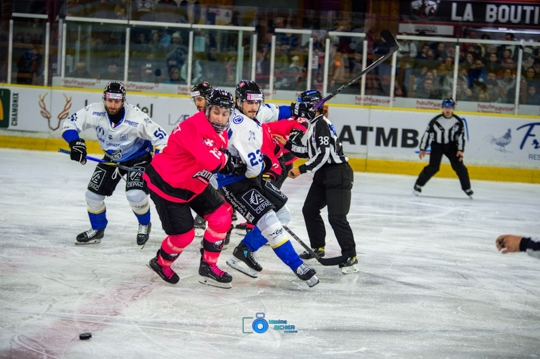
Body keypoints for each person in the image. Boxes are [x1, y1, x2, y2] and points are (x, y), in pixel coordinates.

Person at [216, 80, 319, 287]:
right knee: (271, 222)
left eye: (257, 102)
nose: (254, 107)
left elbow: (276, 112)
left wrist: (298, 108)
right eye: (249, 102)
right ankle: (297, 265)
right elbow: (254, 168)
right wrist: (268, 167)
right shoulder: (238, 126)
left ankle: (243, 252)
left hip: (251, 176)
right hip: (235, 182)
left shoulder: (254, 111)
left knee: (283, 215)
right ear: (238, 101)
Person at [144, 89, 242, 288]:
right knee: (184, 236)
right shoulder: (193, 126)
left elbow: (220, 155)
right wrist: (227, 160)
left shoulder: (219, 132)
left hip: (194, 183)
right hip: (168, 185)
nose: (220, 118)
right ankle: (161, 262)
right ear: (207, 110)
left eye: (225, 114)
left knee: (222, 217)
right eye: (216, 112)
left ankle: (208, 265)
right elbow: (211, 160)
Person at [61, 81, 168, 245]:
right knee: (92, 196)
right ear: (104, 99)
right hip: (111, 158)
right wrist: (75, 143)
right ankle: (97, 230)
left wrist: (159, 161)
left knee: (135, 195)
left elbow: (162, 139)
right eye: (110, 100)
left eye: (117, 101)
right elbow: (70, 124)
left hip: (139, 158)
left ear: (123, 101)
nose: (112, 105)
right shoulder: (94, 110)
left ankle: (144, 224)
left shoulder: (136, 117)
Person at [276, 90, 359, 274]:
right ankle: (318, 247)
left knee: (337, 217)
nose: (297, 109)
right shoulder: (313, 124)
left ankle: (350, 255)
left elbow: (324, 154)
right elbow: (309, 151)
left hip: (338, 174)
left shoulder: (321, 123)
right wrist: (287, 145)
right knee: (310, 209)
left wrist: (301, 169)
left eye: (301, 105)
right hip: (324, 174)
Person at [413, 98, 473, 198]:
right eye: (445, 107)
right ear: (442, 108)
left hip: (452, 146)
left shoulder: (458, 121)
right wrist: (422, 149)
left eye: (449, 107)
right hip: (437, 146)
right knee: (433, 167)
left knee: (460, 167)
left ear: (453, 108)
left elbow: (460, 137)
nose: (447, 110)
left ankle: (467, 188)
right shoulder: (435, 121)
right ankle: (418, 184)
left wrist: (460, 150)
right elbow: (427, 134)